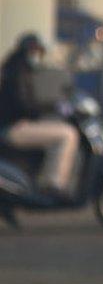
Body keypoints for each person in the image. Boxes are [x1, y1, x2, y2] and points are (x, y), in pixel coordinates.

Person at [0, 33, 79, 197]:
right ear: (27, 50)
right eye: (34, 50)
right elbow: (23, 104)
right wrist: (53, 107)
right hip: (14, 127)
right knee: (68, 134)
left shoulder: (17, 68)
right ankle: (53, 184)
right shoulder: (18, 72)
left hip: (16, 124)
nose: (37, 55)